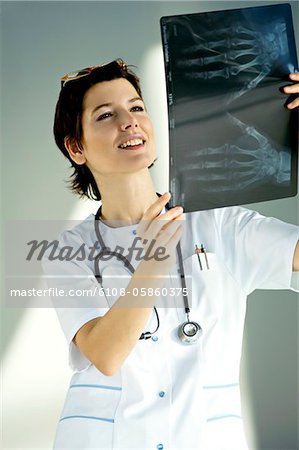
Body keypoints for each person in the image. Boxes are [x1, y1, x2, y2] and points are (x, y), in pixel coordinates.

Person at [43, 58, 299, 450]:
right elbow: (106, 354)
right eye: (106, 114)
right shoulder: (67, 250)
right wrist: (154, 260)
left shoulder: (217, 222)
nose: (129, 122)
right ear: (76, 148)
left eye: (136, 108)